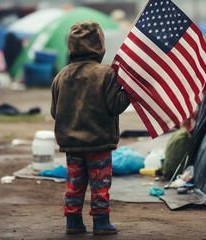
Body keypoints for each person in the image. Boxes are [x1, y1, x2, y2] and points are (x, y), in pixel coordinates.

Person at [50, 21, 130, 235]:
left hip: (72, 145)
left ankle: (73, 222)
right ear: (100, 47)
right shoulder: (106, 74)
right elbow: (116, 105)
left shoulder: (60, 77)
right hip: (99, 142)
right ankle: (101, 223)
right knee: (100, 184)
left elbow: (54, 112)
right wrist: (129, 90)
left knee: (74, 184)